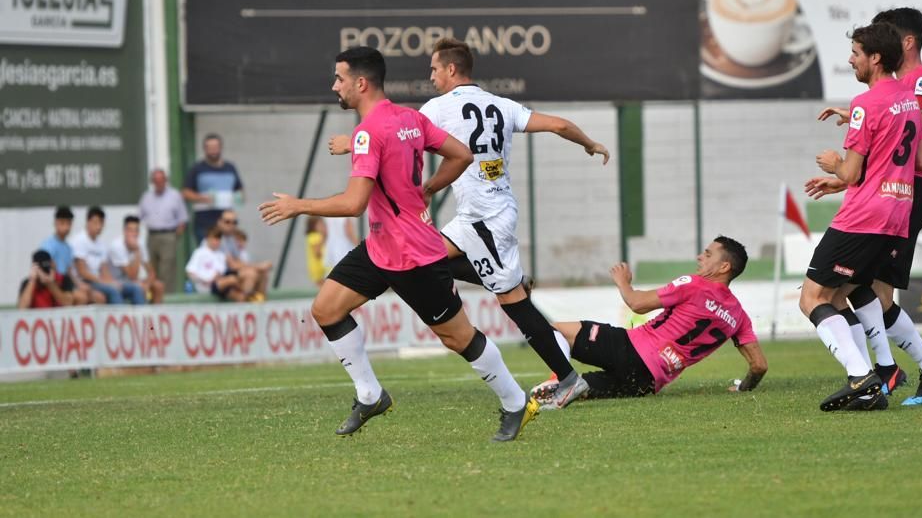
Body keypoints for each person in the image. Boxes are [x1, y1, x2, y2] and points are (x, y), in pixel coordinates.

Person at [260, 46, 539, 442]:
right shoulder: (409, 118)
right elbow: (461, 154)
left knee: (457, 337)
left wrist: (297, 205)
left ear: (360, 83)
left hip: (413, 255)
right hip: (380, 247)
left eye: (339, 78)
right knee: (326, 308)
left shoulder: (367, 133)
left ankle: (515, 402)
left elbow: (355, 203)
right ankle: (370, 394)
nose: (334, 86)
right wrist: (427, 189)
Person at [416, 37, 610, 410]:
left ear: (451, 69)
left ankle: (569, 380)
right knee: (422, 259)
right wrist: (589, 143)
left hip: (487, 218)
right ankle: (513, 280)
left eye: (434, 69)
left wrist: (357, 144)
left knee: (514, 305)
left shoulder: (438, 108)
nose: (432, 76)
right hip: (477, 215)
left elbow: (399, 135)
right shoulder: (501, 105)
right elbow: (558, 124)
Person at [811, 8, 922, 405]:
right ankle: (897, 369)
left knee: (859, 293)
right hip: (897, 193)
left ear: (902, 42)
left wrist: (841, 170)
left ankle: (888, 373)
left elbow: (903, 154)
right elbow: (909, 147)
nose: (853, 57)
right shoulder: (903, 93)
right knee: (858, 287)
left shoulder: (919, 82)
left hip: (898, 197)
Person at [798, 22, 922, 412]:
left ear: (876, 58)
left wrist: (836, 164)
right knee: (840, 296)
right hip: (896, 214)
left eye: (856, 53)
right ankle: (880, 373)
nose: (851, 60)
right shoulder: (910, 100)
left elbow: (851, 173)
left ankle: (862, 377)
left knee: (812, 298)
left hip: (862, 217)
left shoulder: (864, 105)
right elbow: (916, 159)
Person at [530, 237, 767, 405]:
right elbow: (759, 366)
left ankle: (561, 379)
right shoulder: (739, 316)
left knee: (556, 331)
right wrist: (742, 388)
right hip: (646, 382)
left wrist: (623, 281)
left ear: (724, 266)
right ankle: (568, 386)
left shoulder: (694, 284)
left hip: (629, 348)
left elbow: (637, 303)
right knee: (585, 388)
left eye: (708, 254)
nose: (700, 257)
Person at [71, 206, 146, 305]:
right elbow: (83, 272)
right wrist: (106, 282)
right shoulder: (79, 240)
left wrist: (112, 281)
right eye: (95, 222)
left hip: (99, 281)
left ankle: (139, 317)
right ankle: (120, 318)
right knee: (112, 290)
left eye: (101, 223)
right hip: (85, 282)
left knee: (135, 288)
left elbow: (104, 269)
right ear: (88, 222)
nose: (98, 226)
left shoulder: (101, 244)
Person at [182, 133, 244, 243]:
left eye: (215, 147)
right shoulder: (197, 168)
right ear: (205, 149)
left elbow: (239, 190)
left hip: (227, 221)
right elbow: (185, 192)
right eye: (210, 148)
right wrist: (203, 198)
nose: (213, 151)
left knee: (227, 254)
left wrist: (238, 199)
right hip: (205, 222)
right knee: (208, 254)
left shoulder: (230, 167)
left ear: (220, 148)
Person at [138, 168, 188, 293]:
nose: (158, 183)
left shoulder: (174, 195)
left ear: (166, 181)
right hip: (152, 235)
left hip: (169, 235)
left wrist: (175, 237)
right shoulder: (147, 197)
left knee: (167, 269)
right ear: (152, 182)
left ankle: (167, 297)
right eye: (156, 181)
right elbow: (139, 216)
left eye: (161, 180)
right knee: (152, 269)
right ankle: (154, 296)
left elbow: (182, 219)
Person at [216, 210, 270, 301]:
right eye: (227, 222)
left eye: (234, 222)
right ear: (219, 222)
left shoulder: (230, 239)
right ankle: (247, 307)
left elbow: (238, 261)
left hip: (229, 274)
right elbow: (232, 265)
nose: (231, 225)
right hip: (219, 278)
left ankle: (259, 304)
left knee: (263, 274)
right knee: (251, 274)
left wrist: (258, 268)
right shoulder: (217, 238)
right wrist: (258, 266)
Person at [110, 215, 165, 304]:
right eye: (131, 230)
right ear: (124, 231)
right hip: (117, 283)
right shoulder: (117, 246)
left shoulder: (140, 243)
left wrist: (147, 284)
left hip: (133, 282)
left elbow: (151, 272)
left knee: (158, 286)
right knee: (138, 287)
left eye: (136, 230)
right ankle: (141, 315)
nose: (134, 234)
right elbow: (132, 275)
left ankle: (154, 315)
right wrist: (137, 251)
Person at [185, 226, 246, 302]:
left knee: (240, 296)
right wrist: (204, 280)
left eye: (218, 239)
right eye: (214, 238)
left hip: (219, 285)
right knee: (232, 279)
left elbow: (220, 272)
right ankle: (250, 294)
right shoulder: (199, 252)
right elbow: (190, 272)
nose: (216, 241)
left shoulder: (221, 255)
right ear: (207, 239)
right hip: (206, 287)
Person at [17, 250, 88, 309]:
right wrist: (32, 280)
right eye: (41, 269)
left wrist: (51, 284)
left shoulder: (63, 279)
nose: (44, 272)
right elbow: (22, 307)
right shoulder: (27, 283)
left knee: (81, 296)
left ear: (52, 264)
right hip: (37, 322)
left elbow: (67, 302)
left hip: (59, 320)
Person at [306, 216, 328, 284]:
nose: (322, 226)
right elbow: (317, 253)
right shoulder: (313, 236)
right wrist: (323, 237)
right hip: (317, 268)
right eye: (320, 224)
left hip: (323, 267)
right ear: (313, 226)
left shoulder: (319, 236)